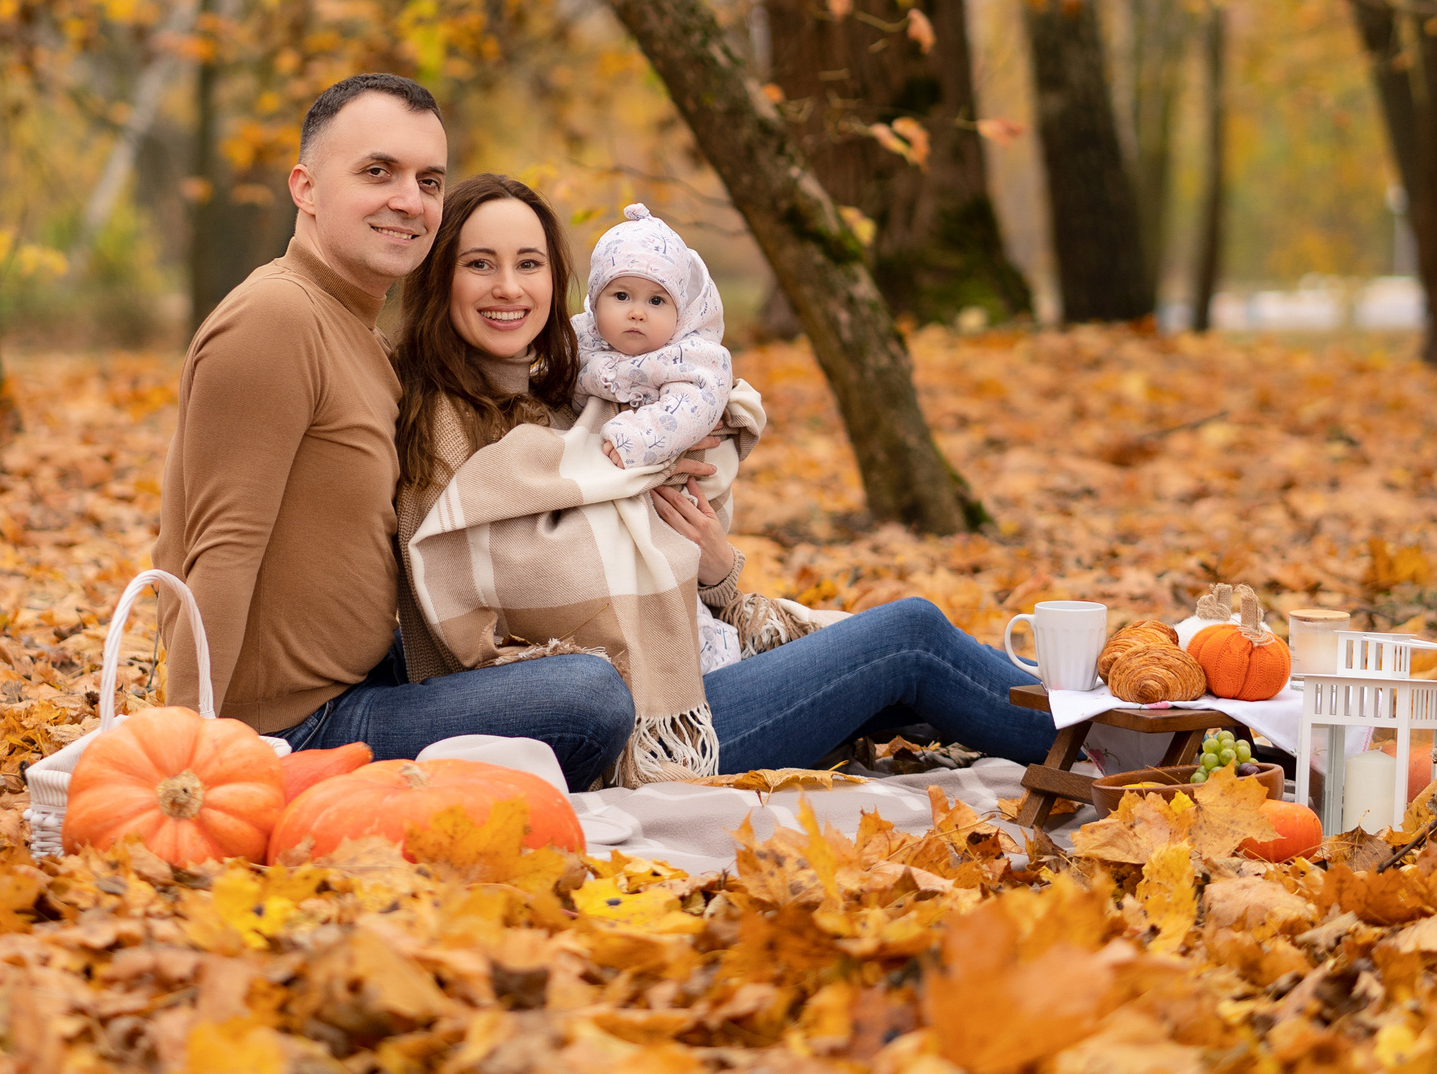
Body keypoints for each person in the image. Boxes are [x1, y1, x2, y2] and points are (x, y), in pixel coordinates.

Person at [392, 177, 1060, 778]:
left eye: (529, 263)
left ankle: (1081, 704)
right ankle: (1094, 742)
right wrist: (637, 468)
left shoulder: (561, 392)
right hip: (643, 724)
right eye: (480, 263)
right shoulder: (440, 423)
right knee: (908, 637)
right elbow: (528, 595)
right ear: (440, 276)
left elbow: (642, 550)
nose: (509, 287)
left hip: (684, 670)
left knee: (904, 661)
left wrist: (716, 569)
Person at [151, 75, 636, 788]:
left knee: (592, 667)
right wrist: (186, 768)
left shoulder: (363, 336)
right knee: (588, 695)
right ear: (305, 188)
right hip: (295, 728)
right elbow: (218, 555)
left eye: (429, 180)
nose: (410, 200)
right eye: (378, 171)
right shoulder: (275, 318)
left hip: (371, 678)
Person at [575, 204, 733, 471]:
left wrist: (637, 438)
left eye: (656, 301)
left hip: (651, 466)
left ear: (679, 312)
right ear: (595, 301)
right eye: (622, 296)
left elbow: (690, 410)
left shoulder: (689, 357)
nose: (637, 313)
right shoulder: (580, 338)